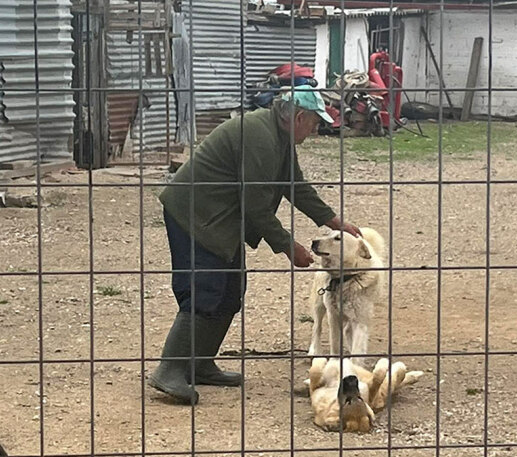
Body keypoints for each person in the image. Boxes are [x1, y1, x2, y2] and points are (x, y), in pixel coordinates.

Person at [150, 85, 361, 404]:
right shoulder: (260, 136)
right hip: (195, 214)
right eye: (315, 123)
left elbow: (296, 186)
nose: (316, 129)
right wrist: (289, 246)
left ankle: (200, 363)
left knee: (231, 290)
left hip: (219, 217)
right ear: (299, 117)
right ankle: (169, 370)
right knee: (204, 289)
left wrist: (333, 221)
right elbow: (256, 207)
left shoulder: (280, 136)